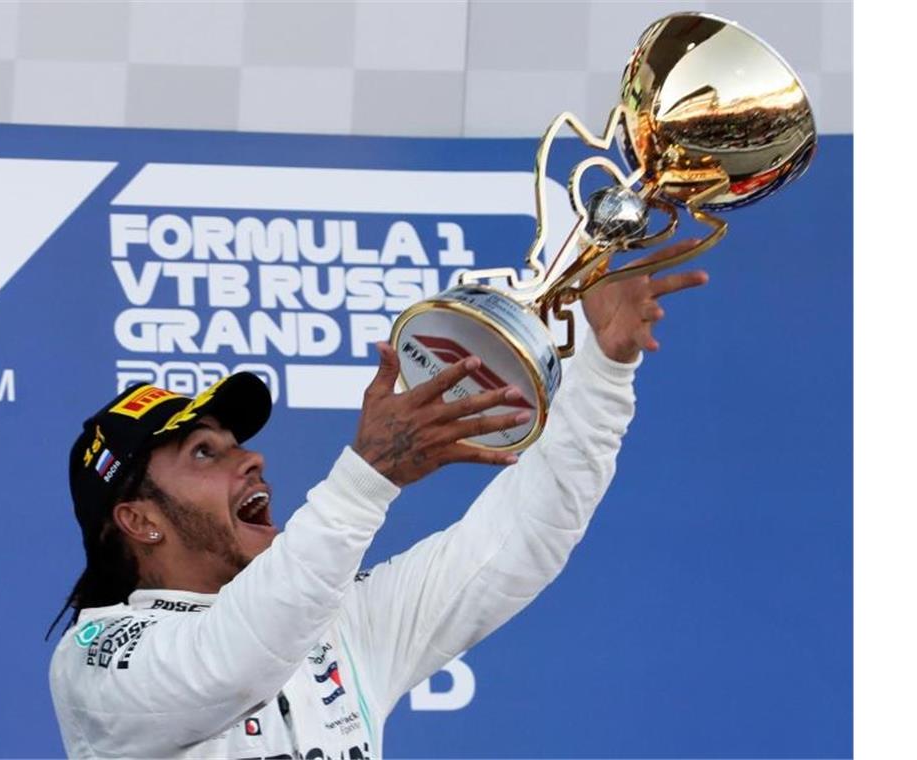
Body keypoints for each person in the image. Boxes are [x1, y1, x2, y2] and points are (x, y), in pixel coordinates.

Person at [48, 246, 709, 759]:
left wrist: (605, 365)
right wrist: (367, 476)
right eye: (203, 454)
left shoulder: (338, 621)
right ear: (139, 520)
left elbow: (519, 542)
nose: (251, 458)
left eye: (235, 443)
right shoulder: (96, 659)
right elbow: (232, 660)